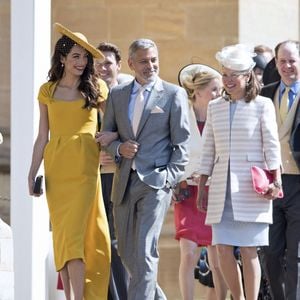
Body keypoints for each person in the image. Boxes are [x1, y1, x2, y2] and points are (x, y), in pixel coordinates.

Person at [98, 38, 190, 300]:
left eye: (153, 60)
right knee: (126, 251)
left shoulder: (173, 94)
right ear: (130, 64)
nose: (150, 66)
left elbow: (182, 144)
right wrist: (118, 149)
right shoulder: (116, 95)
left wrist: (168, 179)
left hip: (155, 183)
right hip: (124, 182)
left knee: (145, 250)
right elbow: (107, 136)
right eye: (144, 61)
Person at [27, 23, 111, 300]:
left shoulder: (97, 88)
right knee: (63, 236)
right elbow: (42, 136)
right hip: (56, 169)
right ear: (62, 58)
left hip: (86, 167)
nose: (82, 61)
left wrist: (111, 140)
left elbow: (113, 125)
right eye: (76, 56)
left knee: (76, 236)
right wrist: (31, 174)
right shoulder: (47, 91)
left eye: (85, 57)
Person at [197, 44, 282, 300]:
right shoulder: (215, 107)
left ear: (247, 76)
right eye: (225, 74)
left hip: (251, 189)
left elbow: (272, 146)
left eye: (234, 74)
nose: (228, 79)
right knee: (222, 248)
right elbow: (208, 149)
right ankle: (239, 297)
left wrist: (275, 182)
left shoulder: (263, 105)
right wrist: (202, 186)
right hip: (221, 190)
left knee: (248, 250)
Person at [174, 63, 227, 300]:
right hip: (186, 193)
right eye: (214, 89)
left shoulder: (222, 113)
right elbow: (171, 150)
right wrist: (182, 177)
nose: (218, 94)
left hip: (214, 193)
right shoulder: (180, 113)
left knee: (217, 257)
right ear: (198, 91)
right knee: (188, 254)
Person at [260, 40, 300, 300]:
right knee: (271, 251)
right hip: (269, 183)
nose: (287, 66)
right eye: (282, 61)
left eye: (292, 60)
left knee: (296, 253)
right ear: (275, 63)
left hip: (298, 182)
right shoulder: (264, 95)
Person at [95, 41, 129, 300]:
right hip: (94, 179)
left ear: (118, 65)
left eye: (107, 63)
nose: (102, 67)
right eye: (98, 63)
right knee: (100, 243)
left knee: (119, 245)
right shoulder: (87, 96)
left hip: (124, 180)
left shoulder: (129, 95)